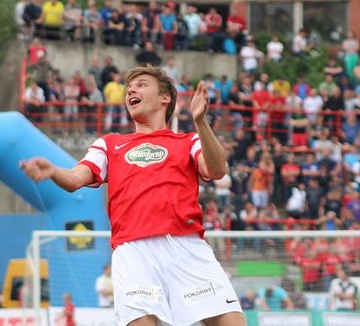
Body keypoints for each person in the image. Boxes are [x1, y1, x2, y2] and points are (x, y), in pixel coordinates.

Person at [21, 65, 245, 326]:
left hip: (187, 247)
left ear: (165, 98)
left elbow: (217, 170)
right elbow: (74, 180)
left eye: (141, 84)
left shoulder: (188, 141)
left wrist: (201, 122)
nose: (131, 90)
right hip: (133, 251)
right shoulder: (109, 144)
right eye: (129, 87)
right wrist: (53, 171)